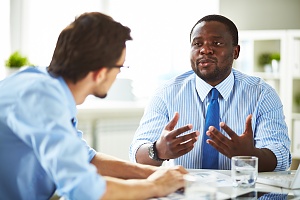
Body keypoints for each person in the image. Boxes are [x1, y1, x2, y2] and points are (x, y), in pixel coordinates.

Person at [0, 12, 188, 200]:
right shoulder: (42, 99)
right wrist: (155, 186)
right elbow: (83, 188)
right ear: (100, 73)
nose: (118, 74)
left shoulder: (44, 87)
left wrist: (152, 174)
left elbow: (86, 159)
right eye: (120, 67)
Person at [129, 14, 291, 172]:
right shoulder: (165, 93)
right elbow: (136, 154)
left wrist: (251, 155)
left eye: (217, 43)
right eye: (197, 44)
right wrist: (157, 150)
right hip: (185, 192)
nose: (205, 50)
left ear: (236, 52)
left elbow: (282, 156)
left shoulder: (262, 94)